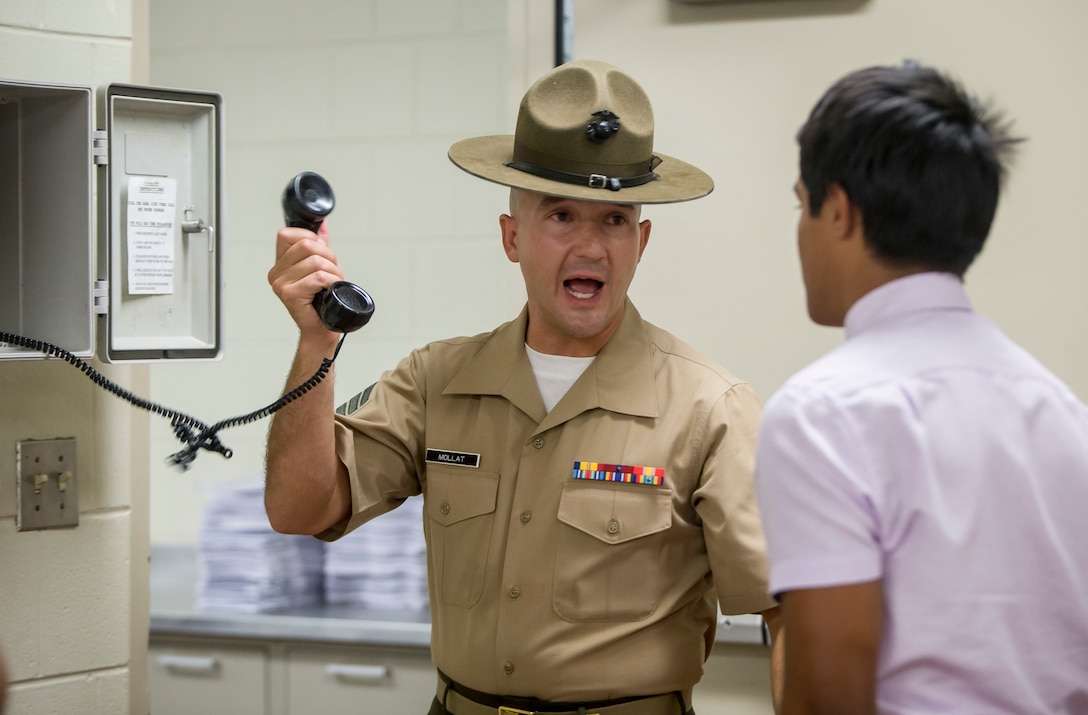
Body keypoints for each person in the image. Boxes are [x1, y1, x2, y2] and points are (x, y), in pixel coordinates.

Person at [265, 59, 781, 715]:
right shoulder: (438, 381)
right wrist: (317, 341)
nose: (592, 246)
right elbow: (299, 508)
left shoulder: (712, 408)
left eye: (615, 220)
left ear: (642, 241)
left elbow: (784, 609)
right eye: (562, 215)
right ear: (513, 237)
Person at [753, 61, 1088, 715]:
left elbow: (828, 696)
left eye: (803, 205)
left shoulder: (824, 413)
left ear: (840, 212)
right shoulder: (1065, 414)